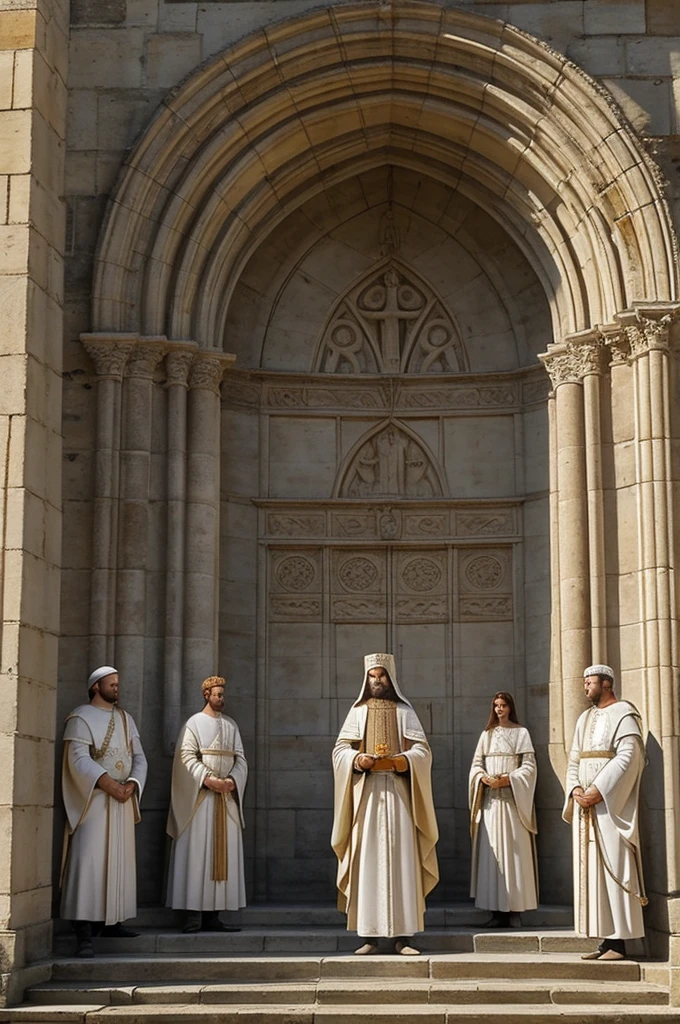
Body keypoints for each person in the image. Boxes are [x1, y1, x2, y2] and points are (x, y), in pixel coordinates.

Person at [331, 652, 439, 955]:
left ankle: (404, 936)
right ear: (366, 679)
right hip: (368, 797)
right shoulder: (358, 712)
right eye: (372, 676)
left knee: (401, 859)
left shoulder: (404, 711)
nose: (377, 680)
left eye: (381, 675)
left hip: (399, 796)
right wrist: (357, 758)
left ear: (390, 678)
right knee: (368, 861)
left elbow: (423, 752)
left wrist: (403, 761)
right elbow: (340, 751)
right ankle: (370, 935)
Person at [60, 666, 148, 958]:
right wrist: (108, 783)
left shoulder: (125, 718)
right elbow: (78, 759)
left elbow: (139, 758)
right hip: (94, 800)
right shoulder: (80, 717)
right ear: (96, 686)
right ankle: (83, 931)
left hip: (122, 799)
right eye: (111, 684)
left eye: (118, 684)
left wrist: (132, 785)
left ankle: (114, 920)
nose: (116, 688)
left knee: (119, 862)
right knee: (88, 862)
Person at [563, 664, 647, 961]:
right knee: (592, 871)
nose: (585, 686)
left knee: (615, 864)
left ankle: (620, 941)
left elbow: (630, 755)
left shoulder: (624, 713)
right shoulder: (585, 718)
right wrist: (574, 790)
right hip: (585, 804)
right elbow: (573, 759)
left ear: (606, 683)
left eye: (590, 682)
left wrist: (599, 790)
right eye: (584, 681)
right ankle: (605, 939)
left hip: (610, 804)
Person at [166, 675, 248, 932]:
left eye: (223, 694)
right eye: (217, 694)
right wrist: (208, 779)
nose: (221, 699)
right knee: (197, 854)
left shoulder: (231, 725)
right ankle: (193, 916)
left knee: (222, 857)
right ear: (206, 695)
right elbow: (186, 757)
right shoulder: (193, 724)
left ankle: (214, 915)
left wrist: (233, 781)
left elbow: (241, 759)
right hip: (199, 800)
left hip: (226, 800)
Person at [469, 692, 538, 927]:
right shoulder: (487, 734)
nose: (499, 709)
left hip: (512, 803)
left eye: (503, 705)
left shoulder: (521, 733)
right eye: (496, 705)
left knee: (514, 854)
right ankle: (495, 911)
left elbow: (529, 767)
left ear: (510, 707)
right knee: (493, 855)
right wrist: (483, 778)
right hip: (491, 804)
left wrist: (508, 779)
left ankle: (515, 910)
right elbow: (476, 765)